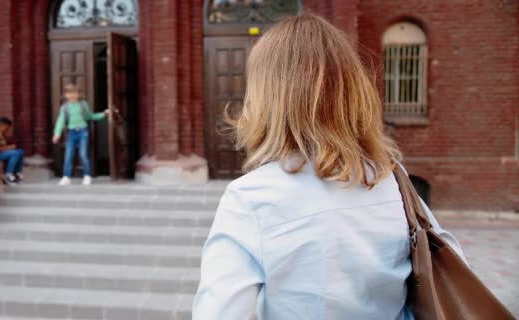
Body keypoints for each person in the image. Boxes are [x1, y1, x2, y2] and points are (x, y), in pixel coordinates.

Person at [192, 14, 466, 320]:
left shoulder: (249, 197)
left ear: (266, 99)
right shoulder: (393, 178)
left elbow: (219, 312)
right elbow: (450, 263)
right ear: (352, 91)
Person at [52, 83, 109, 186]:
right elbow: (60, 121)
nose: (72, 95)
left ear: (78, 94)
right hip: (71, 133)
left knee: (83, 154)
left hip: (83, 132)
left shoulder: (83, 105)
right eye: (69, 93)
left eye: (74, 92)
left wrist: (103, 114)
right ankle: (66, 177)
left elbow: (90, 116)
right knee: (68, 155)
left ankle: (87, 175)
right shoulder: (64, 108)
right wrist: (57, 134)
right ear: (65, 95)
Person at [0, 117, 24, 185]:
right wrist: (8, 147)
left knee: (20, 152)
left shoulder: (0, 134)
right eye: (6, 128)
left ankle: (17, 173)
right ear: (1, 126)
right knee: (15, 153)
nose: (7, 130)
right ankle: (8, 175)